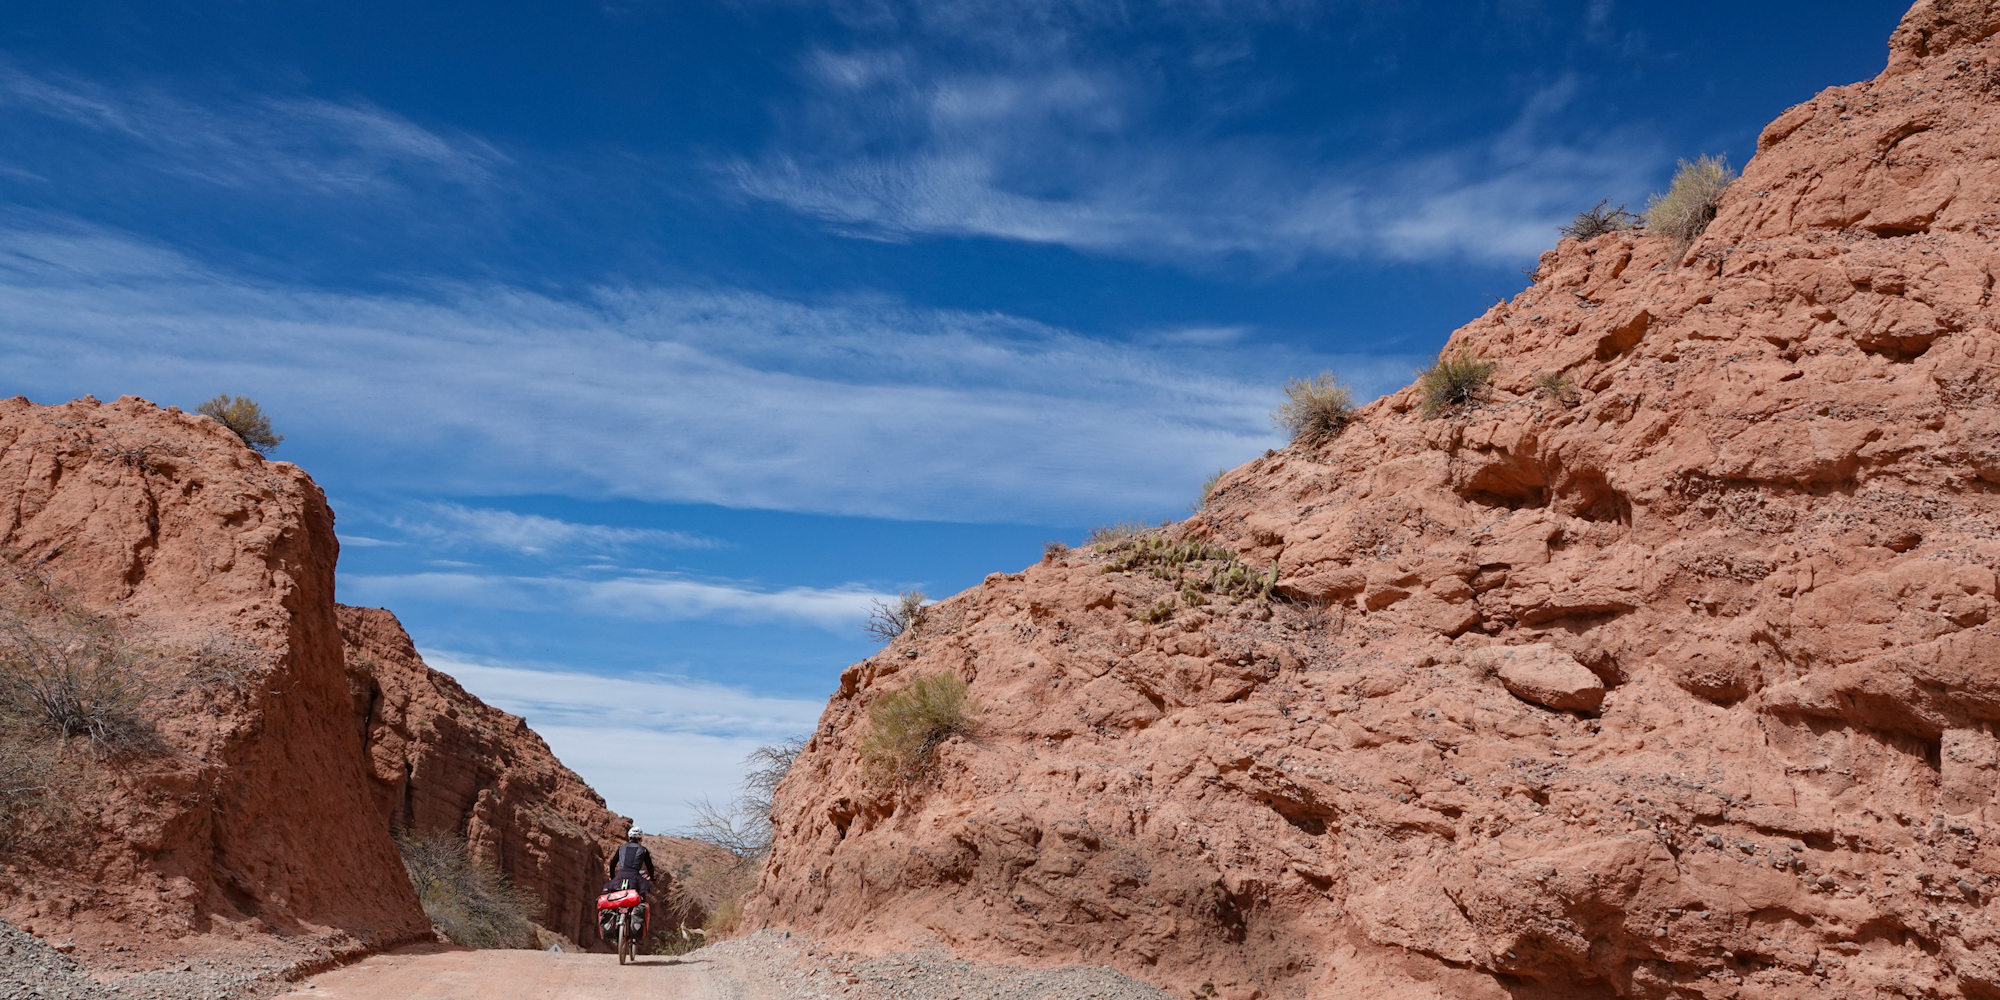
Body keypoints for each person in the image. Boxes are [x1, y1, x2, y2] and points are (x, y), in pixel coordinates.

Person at [606, 826, 656, 899]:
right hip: (635, 878)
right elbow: (650, 866)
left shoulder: (621, 848)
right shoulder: (643, 850)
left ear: (629, 837)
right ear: (640, 839)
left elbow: (612, 864)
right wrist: (652, 877)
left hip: (620, 876)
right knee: (641, 898)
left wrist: (613, 878)